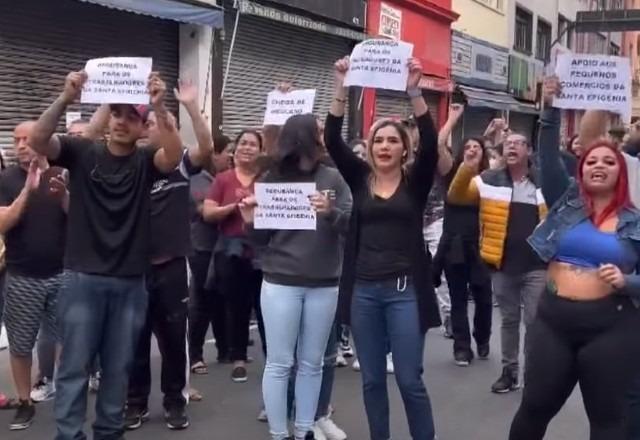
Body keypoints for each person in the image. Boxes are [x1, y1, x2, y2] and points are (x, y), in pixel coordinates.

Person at [29, 69, 182, 440]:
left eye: (132, 117)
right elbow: (38, 139)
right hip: (82, 278)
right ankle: (69, 434)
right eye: (117, 114)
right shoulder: (82, 152)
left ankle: (109, 433)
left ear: (143, 127)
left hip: (130, 282)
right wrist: (67, 97)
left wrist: (160, 106)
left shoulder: (146, 161)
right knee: (74, 368)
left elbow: (174, 154)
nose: (122, 122)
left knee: (117, 369)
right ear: (107, 116)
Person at [507, 76, 640, 440]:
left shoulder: (635, 221)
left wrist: (626, 281)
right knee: (533, 410)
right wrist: (549, 108)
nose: (598, 165)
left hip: (611, 328)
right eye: (590, 160)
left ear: (620, 173)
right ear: (580, 171)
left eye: (608, 162)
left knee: (608, 421)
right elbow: (548, 157)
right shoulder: (567, 202)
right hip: (553, 322)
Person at [325, 56, 441, 440]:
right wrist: (342, 85)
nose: (385, 145)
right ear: (370, 148)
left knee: (410, 380)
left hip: (405, 291)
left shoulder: (416, 182)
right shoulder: (359, 179)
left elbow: (429, 141)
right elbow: (331, 140)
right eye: (379, 140)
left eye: (393, 140)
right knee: (372, 381)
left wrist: (414, 91)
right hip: (363, 292)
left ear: (404, 149)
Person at [237, 113, 352, 440]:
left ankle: (304, 429)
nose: (321, 137)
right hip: (280, 282)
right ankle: (279, 433)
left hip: (324, 283)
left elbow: (352, 224)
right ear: (303, 138)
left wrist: (329, 213)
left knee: (312, 362)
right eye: (316, 132)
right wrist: (249, 220)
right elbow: (261, 239)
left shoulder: (333, 179)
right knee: (280, 362)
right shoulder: (272, 179)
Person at [124, 79, 214, 431]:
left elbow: (206, 147)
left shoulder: (180, 165)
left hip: (173, 266)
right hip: (132, 268)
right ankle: (135, 402)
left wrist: (188, 106)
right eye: (149, 123)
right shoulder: (128, 164)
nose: (154, 129)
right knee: (135, 340)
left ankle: (175, 401)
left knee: (175, 339)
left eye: (161, 124)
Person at [448, 127, 547, 394]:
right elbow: (456, 195)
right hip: (503, 266)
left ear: (529, 151)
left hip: (538, 266)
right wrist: (466, 168)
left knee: (535, 321)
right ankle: (510, 371)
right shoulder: (489, 179)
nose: (511, 147)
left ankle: (534, 374)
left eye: (518, 143)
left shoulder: (543, 183)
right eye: (508, 144)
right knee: (509, 320)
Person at [0, 121, 67, 430]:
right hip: (22, 275)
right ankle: (25, 402)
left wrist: (61, 190)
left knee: (66, 338)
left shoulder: (62, 173)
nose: (23, 144)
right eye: (17, 140)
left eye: (28, 138)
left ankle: (66, 393)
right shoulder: (6, 179)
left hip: (62, 273)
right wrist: (28, 188)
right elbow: (4, 223)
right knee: (20, 344)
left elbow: (78, 216)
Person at [203, 129, 264, 383]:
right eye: (243, 143)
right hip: (231, 251)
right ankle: (238, 358)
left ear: (261, 151)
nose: (247, 148)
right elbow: (208, 213)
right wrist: (232, 208)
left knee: (265, 308)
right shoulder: (223, 179)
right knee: (237, 307)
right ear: (235, 149)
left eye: (253, 144)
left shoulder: (268, 180)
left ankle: (273, 360)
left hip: (262, 249)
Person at [434, 105, 493, 367]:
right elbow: (438, 144)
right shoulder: (451, 174)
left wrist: (493, 136)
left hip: (481, 246)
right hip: (455, 244)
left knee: (483, 297)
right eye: (467, 146)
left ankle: (482, 337)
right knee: (458, 297)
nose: (471, 150)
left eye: (476, 148)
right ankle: (461, 347)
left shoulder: (490, 179)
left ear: (483, 155)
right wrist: (452, 119)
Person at [188, 134, 234, 372]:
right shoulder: (196, 179)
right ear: (214, 154)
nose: (231, 156)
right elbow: (203, 210)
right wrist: (231, 207)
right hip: (202, 247)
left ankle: (225, 350)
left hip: (224, 246)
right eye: (228, 151)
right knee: (202, 300)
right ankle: (195, 354)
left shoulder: (226, 178)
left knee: (221, 298)